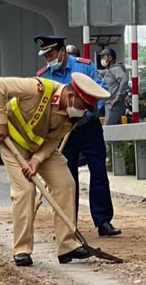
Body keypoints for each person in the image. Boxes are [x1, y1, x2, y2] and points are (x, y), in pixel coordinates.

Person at [0, 72, 111, 267]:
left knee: (65, 184)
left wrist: (37, 160)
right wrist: (1, 121)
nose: (84, 113)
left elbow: (54, 140)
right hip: (12, 144)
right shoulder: (38, 89)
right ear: (72, 97)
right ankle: (22, 249)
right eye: (83, 107)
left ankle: (67, 246)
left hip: (40, 149)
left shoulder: (73, 118)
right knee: (25, 191)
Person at [36, 35, 122, 238]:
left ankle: (103, 221)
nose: (49, 60)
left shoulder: (84, 68)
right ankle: (68, 225)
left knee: (99, 173)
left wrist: (89, 110)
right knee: (67, 179)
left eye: (51, 54)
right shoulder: (44, 77)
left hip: (89, 128)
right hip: (64, 133)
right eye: (46, 56)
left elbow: (103, 91)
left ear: (62, 52)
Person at [99, 48, 128, 126]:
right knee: (116, 132)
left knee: (107, 131)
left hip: (113, 105)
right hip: (112, 104)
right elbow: (101, 72)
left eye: (104, 57)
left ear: (110, 58)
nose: (102, 59)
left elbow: (124, 79)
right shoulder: (110, 69)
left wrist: (118, 97)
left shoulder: (116, 69)